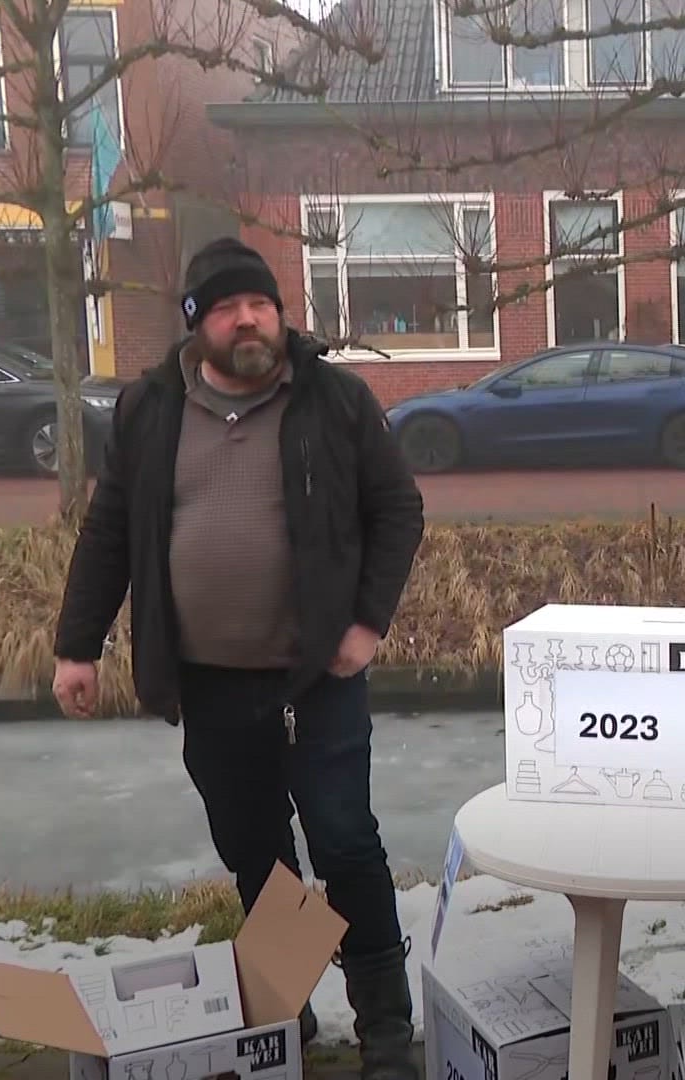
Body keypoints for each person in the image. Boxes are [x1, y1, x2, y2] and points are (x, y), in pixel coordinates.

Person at [50, 238, 426, 1080]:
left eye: (260, 302)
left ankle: (388, 1031)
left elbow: (399, 511)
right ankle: (284, 1015)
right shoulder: (150, 409)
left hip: (316, 678)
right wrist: (79, 645)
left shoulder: (334, 400)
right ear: (197, 326)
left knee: (345, 841)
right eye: (227, 307)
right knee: (255, 851)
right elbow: (111, 530)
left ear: (280, 313)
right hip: (211, 684)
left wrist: (367, 624)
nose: (248, 317)